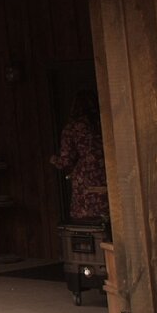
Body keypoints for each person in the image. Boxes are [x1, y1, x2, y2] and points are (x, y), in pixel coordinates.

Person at [52, 91, 109, 223]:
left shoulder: (73, 127)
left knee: (88, 223)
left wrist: (53, 159)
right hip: (108, 173)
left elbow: (65, 160)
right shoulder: (104, 122)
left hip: (86, 180)